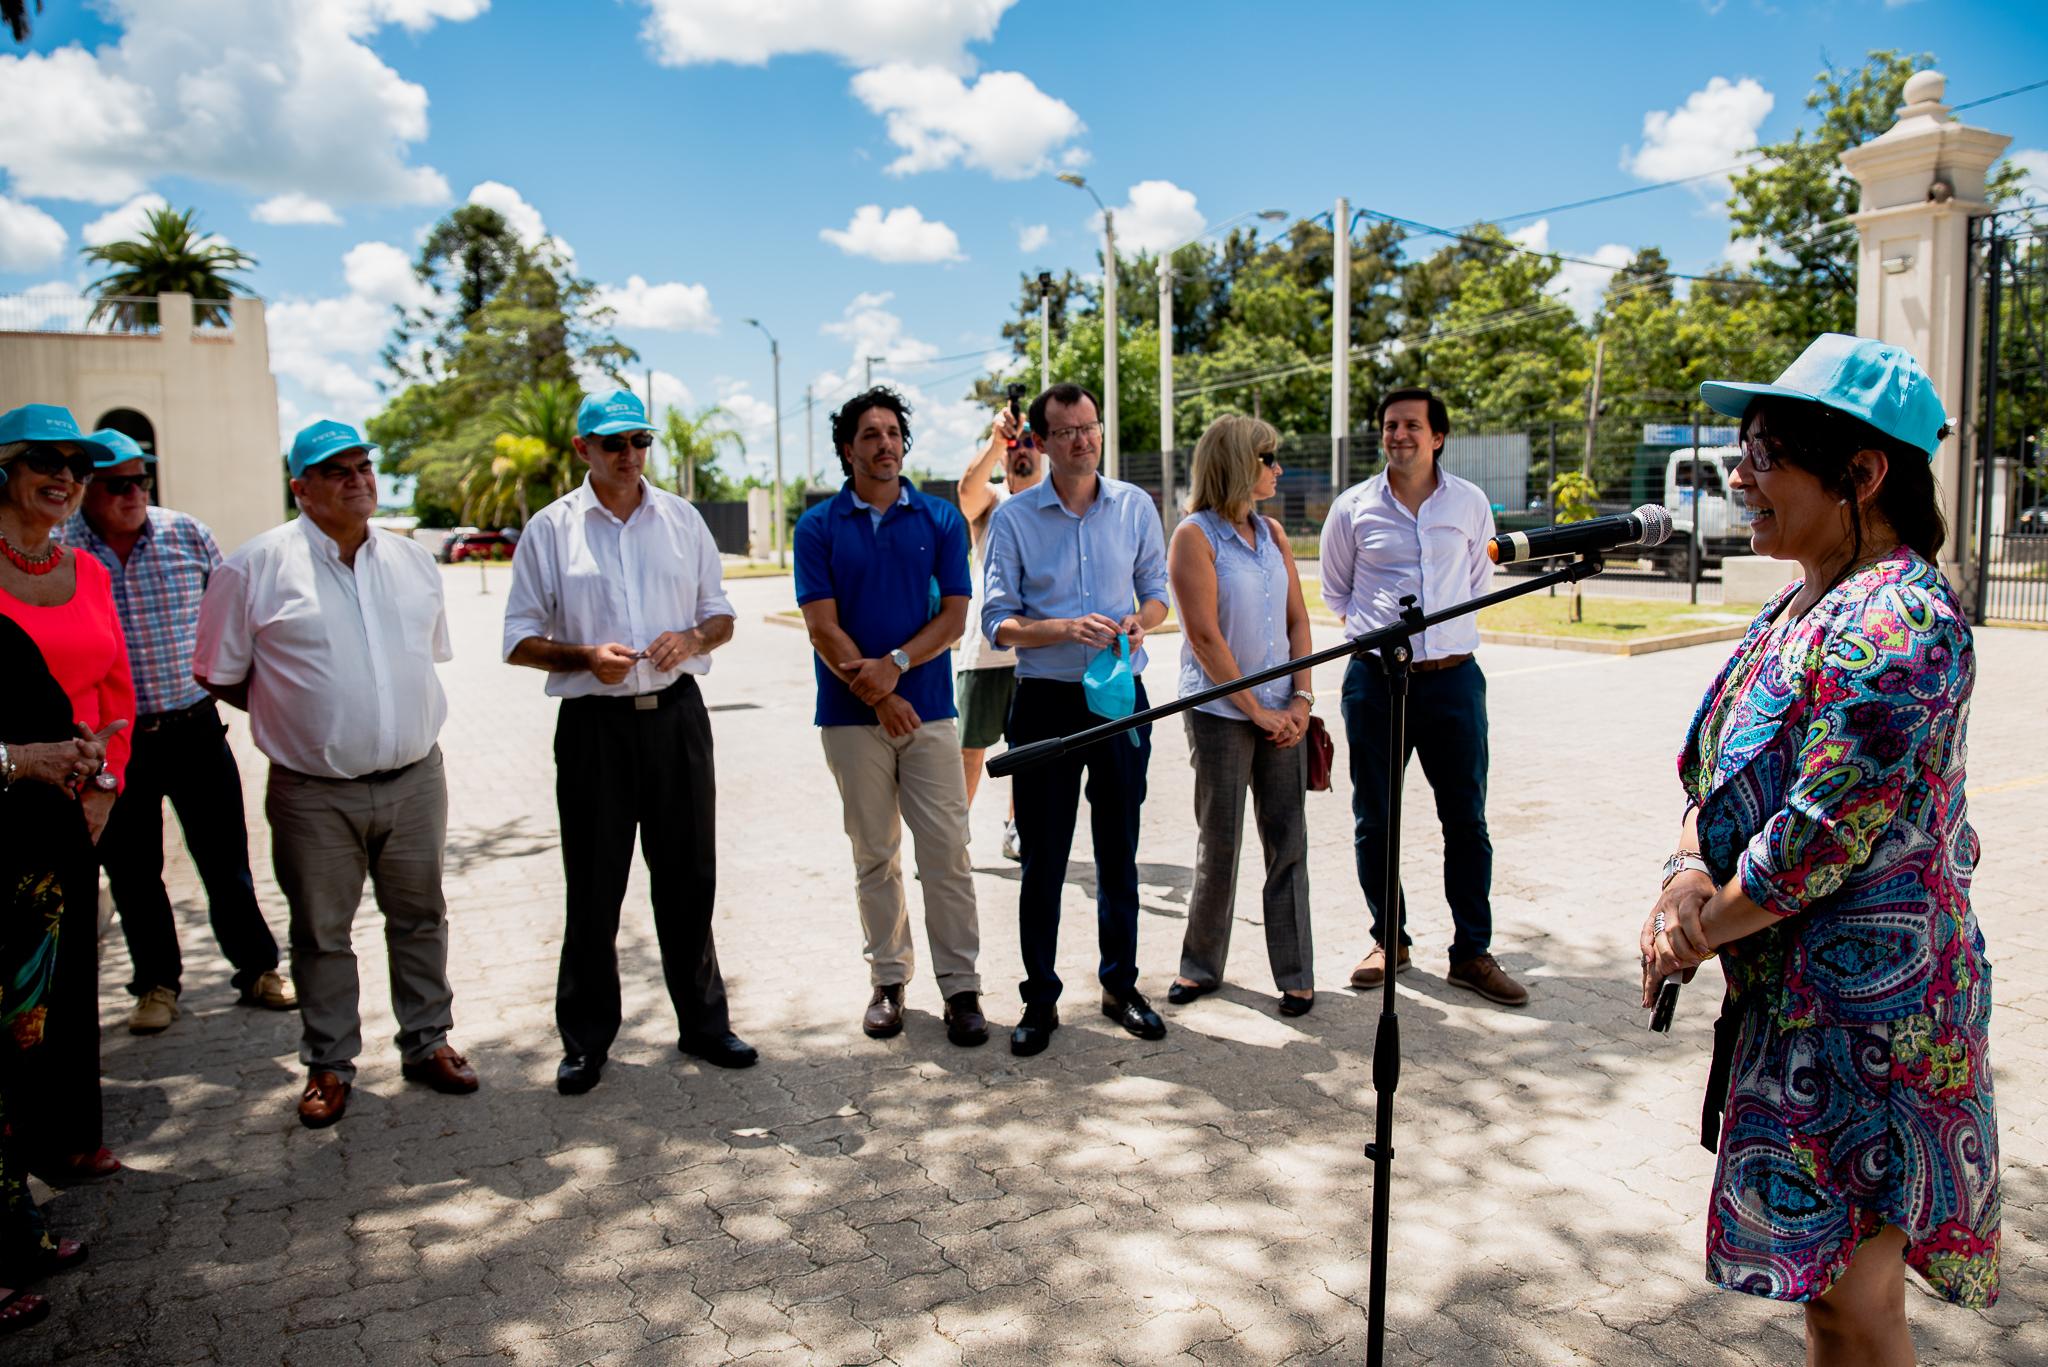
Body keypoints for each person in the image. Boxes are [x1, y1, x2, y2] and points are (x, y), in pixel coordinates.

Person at [1644, 334, 1999, 1364]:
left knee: (1852, 1301)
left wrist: (1685, 937)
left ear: (1861, 472)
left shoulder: (1899, 619)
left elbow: (1813, 838)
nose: (1737, 476)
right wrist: (1684, 868)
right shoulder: (1798, 600)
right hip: (1798, 1011)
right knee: (1828, 1296)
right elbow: (1709, 764)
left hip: (1874, 1026)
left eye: (1763, 453)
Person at [193, 419, 477, 1129]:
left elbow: (422, 660)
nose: (358, 479)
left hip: (416, 777)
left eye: (363, 466)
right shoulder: (254, 567)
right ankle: (329, 1062)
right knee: (322, 932)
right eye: (337, 470)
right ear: (301, 487)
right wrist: (300, 715)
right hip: (313, 791)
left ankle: (427, 1041)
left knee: (420, 917)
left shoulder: (413, 562)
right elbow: (219, 673)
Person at [503, 389, 753, 1096]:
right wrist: (584, 656)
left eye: (639, 441)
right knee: (594, 886)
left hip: (676, 719)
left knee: (688, 878)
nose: (628, 455)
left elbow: (722, 615)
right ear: (582, 448)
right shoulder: (551, 531)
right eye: (613, 443)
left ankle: (704, 1024)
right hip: (594, 730)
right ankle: (585, 1040)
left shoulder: (681, 520)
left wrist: (694, 637)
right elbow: (518, 640)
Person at [60, 428, 293, 1035]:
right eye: (117, 484)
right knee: (134, 873)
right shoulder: (63, 550)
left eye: (141, 479)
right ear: (86, 488)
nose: (134, 492)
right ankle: (156, 984)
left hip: (193, 729)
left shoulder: (186, 533)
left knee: (226, 862)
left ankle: (259, 969)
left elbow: (232, 619)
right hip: (115, 741)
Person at [1319, 387, 1528, 1007]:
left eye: (1411, 425)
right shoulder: (1352, 507)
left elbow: (1476, 582)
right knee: (1375, 818)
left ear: (1438, 436)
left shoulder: (1467, 504)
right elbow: (1337, 591)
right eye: (1389, 425)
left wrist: (1440, 639)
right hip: (1376, 682)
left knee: (1466, 819)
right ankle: (1390, 941)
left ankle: (1471, 953)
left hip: (1453, 679)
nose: (1398, 435)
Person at [981, 383, 1170, 1056]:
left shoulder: (1135, 506)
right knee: (1044, 859)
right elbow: (996, 621)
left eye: (1090, 427)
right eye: (1067, 431)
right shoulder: (1014, 519)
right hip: (1045, 704)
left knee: (1119, 848)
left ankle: (1121, 985)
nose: (1083, 440)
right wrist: (1063, 627)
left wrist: (1137, 624)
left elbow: (1157, 594)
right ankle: (1040, 998)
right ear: (1040, 442)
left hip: (1118, 695)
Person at [795, 386, 986, 1047]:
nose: (884, 443)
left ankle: (962, 988)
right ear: (847, 449)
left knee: (948, 854)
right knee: (875, 854)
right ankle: (888, 979)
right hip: (850, 722)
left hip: (930, 713)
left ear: (904, 443)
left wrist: (897, 665)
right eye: (869, 434)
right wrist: (878, 692)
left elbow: (957, 618)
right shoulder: (817, 527)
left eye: (892, 432)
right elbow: (822, 626)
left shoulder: (939, 519)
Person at [0, 404, 132, 1183]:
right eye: (46, 460)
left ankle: (69, 1135)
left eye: (79, 467)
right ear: (5, 470)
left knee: (70, 976)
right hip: (5, 793)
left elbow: (117, 684)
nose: (67, 478)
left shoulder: (88, 570)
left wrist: (107, 786)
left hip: (71, 807)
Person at [1166, 416, 1316, 1017]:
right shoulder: (1194, 537)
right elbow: (1204, 638)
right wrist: (1255, 710)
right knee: (1220, 843)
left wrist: (1301, 701)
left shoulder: (1274, 533)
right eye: (1268, 458)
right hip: (1221, 715)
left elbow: (1300, 622)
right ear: (1235, 464)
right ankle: (1201, 967)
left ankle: (1297, 972)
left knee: (1288, 843)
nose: (1277, 469)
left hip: (1285, 714)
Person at [0, 614, 113, 1336]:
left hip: (30, 863)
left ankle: (16, 1231)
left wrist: (80, 749)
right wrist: (14, 760)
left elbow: (38, 708)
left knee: (13, 1063)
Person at [954, 408, 1045, 861]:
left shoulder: (1055, 501)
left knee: (1028, 750)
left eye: (1029, 441)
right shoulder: (990, 501)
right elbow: (965, 491)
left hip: (1037, 654)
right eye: (1015, 444)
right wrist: (995, 441)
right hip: (985, 652)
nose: (1021, 450)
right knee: (971, 749)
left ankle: (1017, 827)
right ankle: (952, 837)